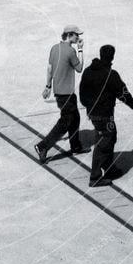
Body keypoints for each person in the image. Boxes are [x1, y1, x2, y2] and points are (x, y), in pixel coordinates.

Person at [79, 44, 133, 187]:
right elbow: (123, 94)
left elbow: (82, 94)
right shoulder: (111, 75)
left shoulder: (88, 71)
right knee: (104, 142)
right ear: (112, 57)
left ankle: (108, 169)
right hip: (104, 115)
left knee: (111, 136)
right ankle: (95, 177)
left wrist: (89, 106)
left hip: (93, 113)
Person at [34, 24, 87, 164]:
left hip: (59, 92)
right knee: (65, 122)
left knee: (75, 118)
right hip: (67, 93)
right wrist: (80, 49)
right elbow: (80, 68)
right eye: (77, 35)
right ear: (69, 34)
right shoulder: (71, 51)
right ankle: (43, 146)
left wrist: (48, 86)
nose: (78, 37)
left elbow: (49, 68)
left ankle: (75, 146)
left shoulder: (54, 48)